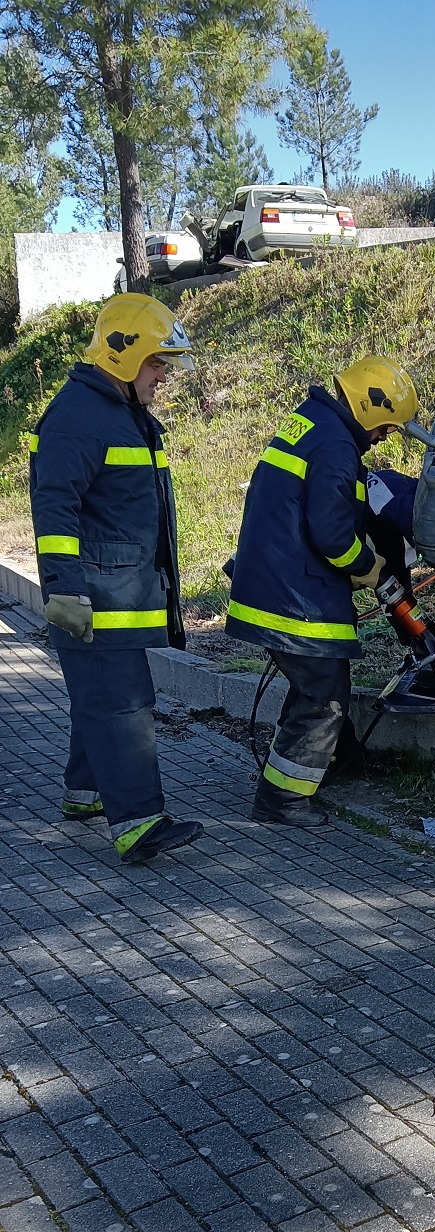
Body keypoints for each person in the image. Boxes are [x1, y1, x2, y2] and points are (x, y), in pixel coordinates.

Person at [29, 294, 203, 864]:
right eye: (156, 363)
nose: (163, 376)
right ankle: (138, 822)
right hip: (96, 597)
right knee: (123, 704)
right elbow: (54, 505)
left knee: (98, 698)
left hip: (118, 593)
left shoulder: (114, 410)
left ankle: (85, 795)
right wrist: (64, 588)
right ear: (124, 358)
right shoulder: (79, 416)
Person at [225, 356, 419, 827]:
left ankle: (319, 766)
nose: (384, 437)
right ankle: (281, 801)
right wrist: (367, 566)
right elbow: (332, 536)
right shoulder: (336, 445)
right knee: (324, 696)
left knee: (311, 686)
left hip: (273, 580)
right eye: (387, 426)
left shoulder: (312, 423)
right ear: (370, 407)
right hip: (293, 596)